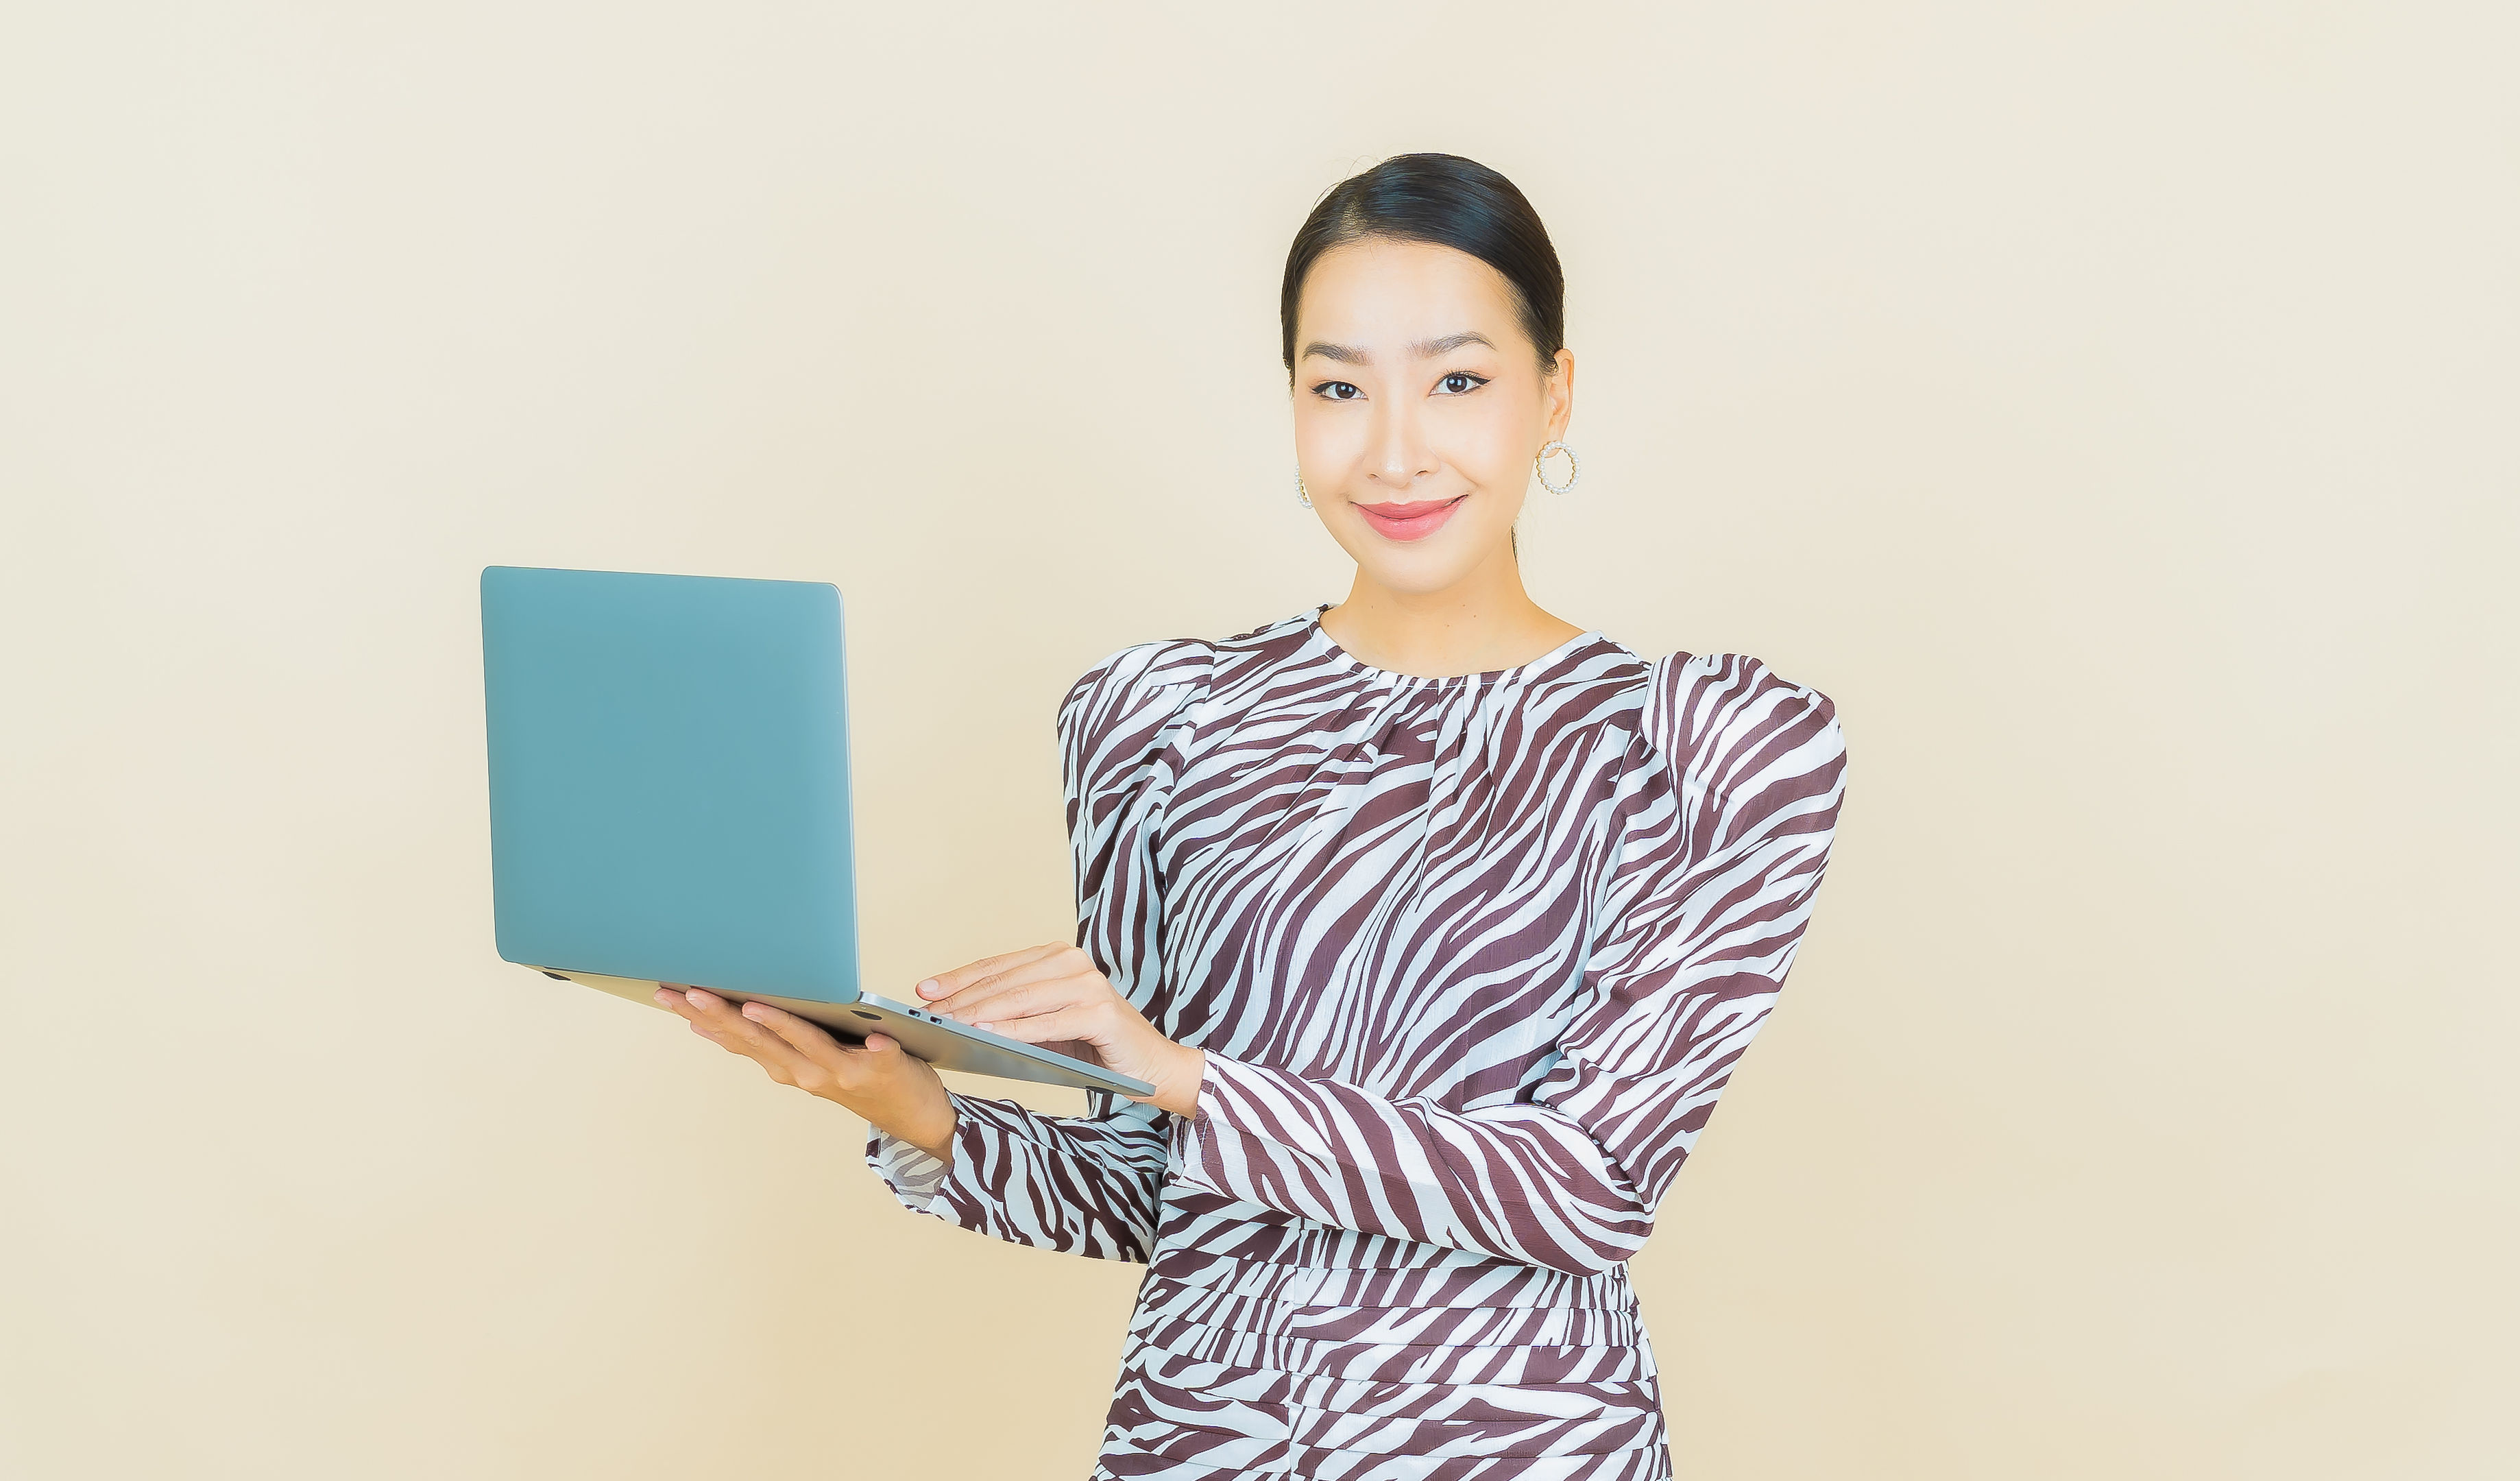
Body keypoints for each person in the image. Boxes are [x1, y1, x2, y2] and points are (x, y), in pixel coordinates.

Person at [656, 152, 1849, 1480]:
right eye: (1338, 388)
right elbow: (1147, 1189)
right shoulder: (1158, 718)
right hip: (1201, 1443)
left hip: (1516, 1447)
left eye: (1458, 381)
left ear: (1554, 395)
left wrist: (1185, 1073)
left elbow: (1588, 1187)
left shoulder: (1709, 745)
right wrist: (911, 1105)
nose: (1393, 450)